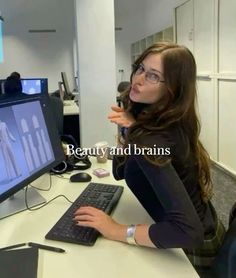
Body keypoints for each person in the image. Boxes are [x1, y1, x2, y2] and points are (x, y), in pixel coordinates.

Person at [73, 42, 225, 273]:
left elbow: (188, 232)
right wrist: (129, 128)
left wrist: (115, 230)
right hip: (206, 226)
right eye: (140, 68)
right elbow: (120, 172)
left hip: (195, 253)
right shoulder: (164, 120)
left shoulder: (152, 140)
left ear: (172, 89)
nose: (138, 80)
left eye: (153, 76)